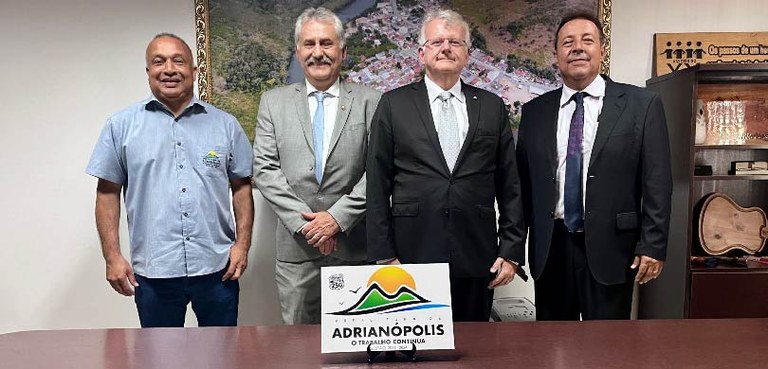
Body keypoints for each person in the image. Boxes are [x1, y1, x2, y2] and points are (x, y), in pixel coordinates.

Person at [366, 9, 526, 322]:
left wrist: (511, 251)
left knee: (475, 351)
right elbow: (377, 184)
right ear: (422, 52)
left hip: (477, 254)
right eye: (437, 41)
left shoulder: (491, 106)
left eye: (455, 41)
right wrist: (384, 256)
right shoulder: (393, 104)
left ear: (467, 53)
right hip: (411, 255)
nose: (446, 47)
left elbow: (510, 185)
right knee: (416, 352)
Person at [86, 33, 254, 327]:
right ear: (148, 71)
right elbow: (107, 193)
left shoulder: (225, 125)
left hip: (217, 268)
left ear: (194, 70)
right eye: (158, 61)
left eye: (179, 61)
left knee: (223, 356)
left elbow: (241, 187)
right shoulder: (120, 126)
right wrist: (112, 257)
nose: (169, 69)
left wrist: (242, 245)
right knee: (160, 359)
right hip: (154, 271)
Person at [516, 12, 672, 320]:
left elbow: (658, 182)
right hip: (552, 246)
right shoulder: (534, 112)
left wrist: (652, 245)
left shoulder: (641, 104)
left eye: (587, 40)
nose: (577, 48)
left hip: (614, 247)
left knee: (607, 349)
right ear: (557, 55)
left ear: (602, 50)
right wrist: (512, 248)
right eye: (567, 42)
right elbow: (521, 186)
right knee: (552, 347)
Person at [253, 7, 381, 325]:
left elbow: (378, 171)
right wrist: (310, 226)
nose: (318, 52)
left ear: (342, 50)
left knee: (356, 345)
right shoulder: (273, 102)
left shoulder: (373, 101)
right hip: (296, 251)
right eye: (309, 44)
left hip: (355, 249)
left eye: (326, 43)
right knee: (297, 348)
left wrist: (336, 219)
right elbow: (265, 170)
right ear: (298, 53)